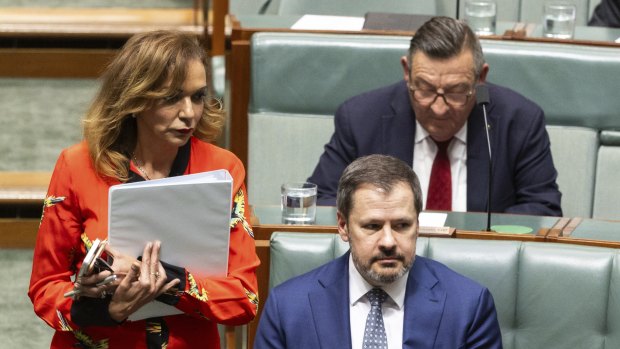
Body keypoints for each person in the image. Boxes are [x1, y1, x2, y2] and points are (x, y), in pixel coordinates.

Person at [28, 30, 260, 348]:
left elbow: (244, 299)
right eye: (171, 98)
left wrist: (164, 280)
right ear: (135, 99)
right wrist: (104, 308)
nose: (189, 113)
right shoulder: (77, 165)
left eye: (197, 96)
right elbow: (45, 287)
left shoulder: (222, 169)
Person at [308, 16, 562, 216]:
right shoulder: (361, 118)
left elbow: (543, 208)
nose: (439, 108)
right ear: (407, 71)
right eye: (426, 89)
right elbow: (323, 200)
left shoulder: (520, 121)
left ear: (480, 79)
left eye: (456, 92)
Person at [255, 154, 503, 348]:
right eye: (372, 226)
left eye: (402, 225)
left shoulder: (468, 305)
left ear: (418, 225)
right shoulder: (288, 307)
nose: (388, 241)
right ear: (343, 226)